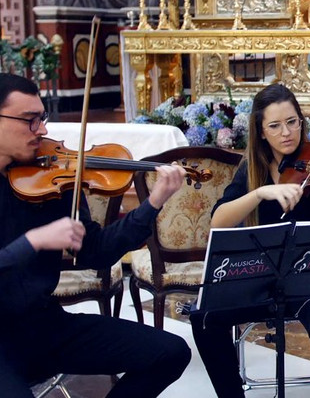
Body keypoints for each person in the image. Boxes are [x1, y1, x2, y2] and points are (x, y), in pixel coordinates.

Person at [0, 73, 191, 397]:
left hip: (42, 324)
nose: (43, 130)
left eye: (42, 119)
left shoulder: (50, 179)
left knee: (170, 352)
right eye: (30, 121)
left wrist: (153, 202)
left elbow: (96, 251)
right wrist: (35, 240)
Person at [191, 83, 310, 398]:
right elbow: (219, 220)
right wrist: (260, 192)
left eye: (292, 122)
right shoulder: (252, 170)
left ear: (301, 122)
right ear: (261, 131)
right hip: (260, 278)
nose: (286, 132)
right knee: (204, 317)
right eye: (275, 125)